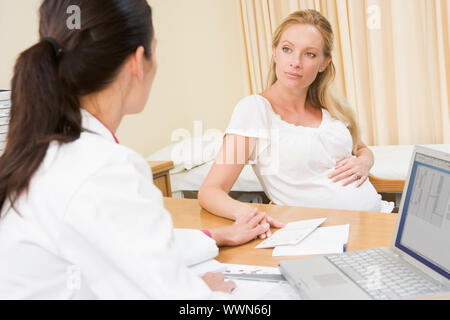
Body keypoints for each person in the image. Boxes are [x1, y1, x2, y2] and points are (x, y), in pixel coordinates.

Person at [0, 0, 271, 299]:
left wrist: (216, 236)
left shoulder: (39, 152)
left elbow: (119, 241)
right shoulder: (103, 168)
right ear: (137, 61)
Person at [198, 9, 394, 238]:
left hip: (380, 219)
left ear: (323, 63)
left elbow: (361, 148)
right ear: (275, 53)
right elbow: (211, 191)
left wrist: (364, 162)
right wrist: (249, 214)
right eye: (287, 49)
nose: (295, 62)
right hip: (326, 237)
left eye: (309, 54)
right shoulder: (254, 109)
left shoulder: (329, 109)